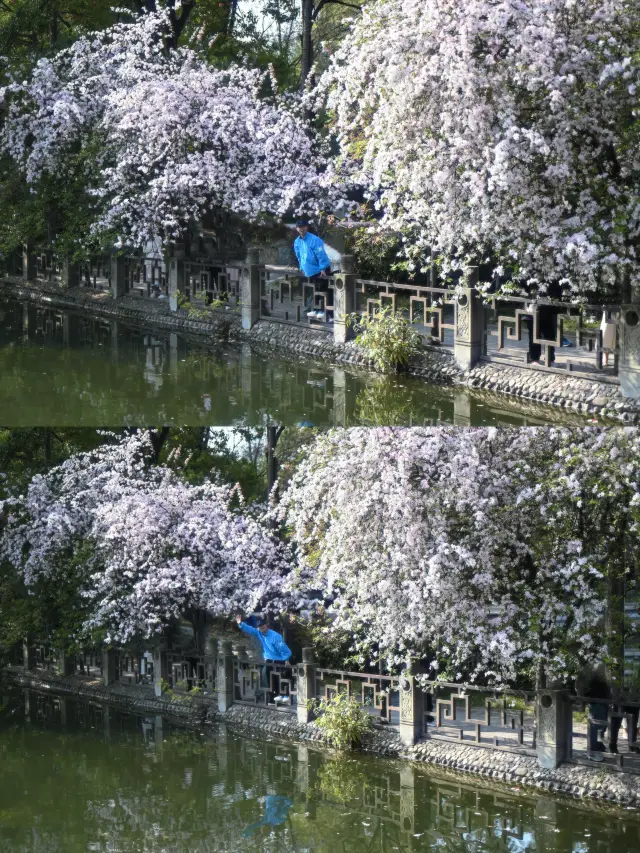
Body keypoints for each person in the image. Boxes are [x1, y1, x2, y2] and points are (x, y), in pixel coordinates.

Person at [235, 614, 292, 699]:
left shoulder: (275, 636)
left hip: (279, 660)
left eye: (262, 625)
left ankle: (284, 696)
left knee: (280, 679)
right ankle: (273, 698)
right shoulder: (259, 633)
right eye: (259, 626)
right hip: (269, 660)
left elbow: (282, 648)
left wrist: (286, 659)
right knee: (271, 680)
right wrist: (241, 624)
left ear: (266, 625)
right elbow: (251, 630)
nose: (261, 627)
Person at [293, 218, 332, 319]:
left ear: (307, 227)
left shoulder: (314, 239)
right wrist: (301, 266)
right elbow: (299, 255)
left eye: (303, 226)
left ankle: (325, 312)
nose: (302, 229)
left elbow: (321, 254)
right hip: (309, 270)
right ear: (297, 228)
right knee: (315, 289)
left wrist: (323, 268)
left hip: (320, 269)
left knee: (323, 290)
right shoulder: (297, 241)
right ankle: (316, 309)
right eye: (299, 227)